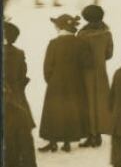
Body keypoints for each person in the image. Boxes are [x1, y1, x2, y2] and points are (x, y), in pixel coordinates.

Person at [39, 14, 92, 152]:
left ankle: (52, 142)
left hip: (55, 83)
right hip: (76, 83)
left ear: (60, 27)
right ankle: (67, 142)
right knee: (71, 111)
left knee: (54, 112)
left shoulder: (54, 43)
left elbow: (47, 66)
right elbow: (87, 64)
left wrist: (50, 80)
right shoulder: (81, 43)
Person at [76, 5, 113, 148]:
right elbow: (109, 54)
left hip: (85, 73)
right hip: (101, 72)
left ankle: (91, 135)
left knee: (88, 102)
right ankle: (98, 133)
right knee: (100, 103)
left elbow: (78, 54)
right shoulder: (106, 33)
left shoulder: (82, 35)